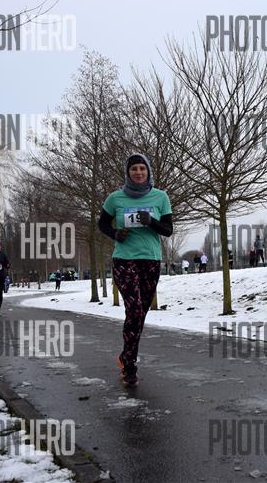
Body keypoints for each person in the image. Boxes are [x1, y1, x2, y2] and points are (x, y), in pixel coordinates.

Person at [98, 153, 173, 387]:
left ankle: (125, 356)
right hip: (124, 259)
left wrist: (150, 221)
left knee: (140, 314)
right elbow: (102, 223)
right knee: (135, 309)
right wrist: (115, 234)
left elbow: (168, 230)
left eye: (142, 168)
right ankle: (130, 366)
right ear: (127, 173)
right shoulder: (115, 198)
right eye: (134, 169)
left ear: (148, 171)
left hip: (151, 260)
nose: (138, 172)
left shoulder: (161, 197)